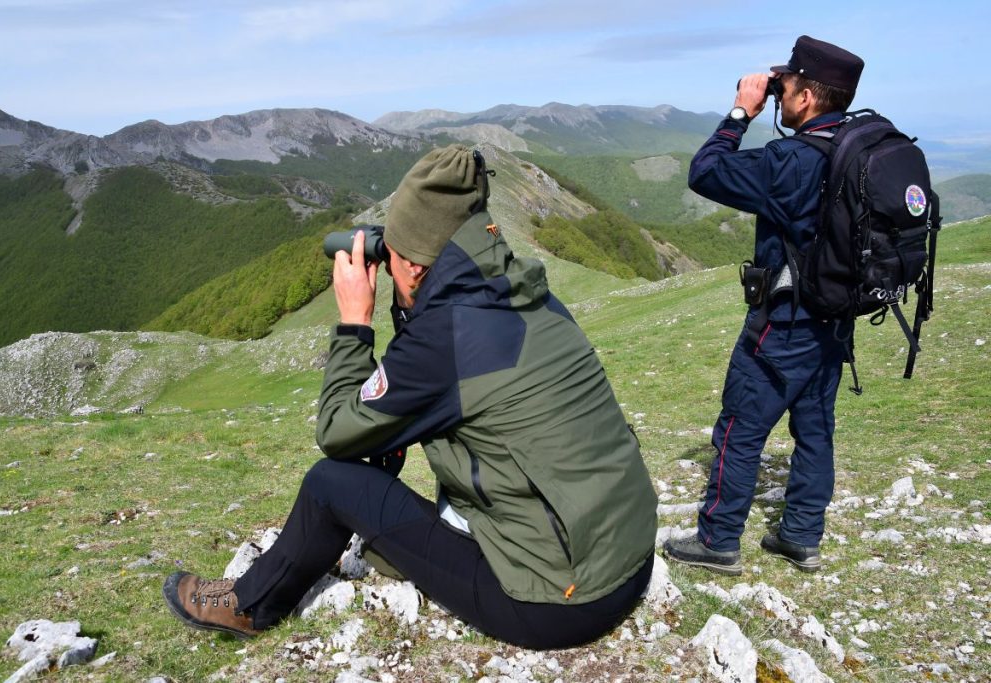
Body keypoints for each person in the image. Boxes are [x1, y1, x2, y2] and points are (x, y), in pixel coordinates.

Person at [163, 144, 658, 649]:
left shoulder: (448, 339)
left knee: (330, 484)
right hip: (629, 559)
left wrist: (356, 322)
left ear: (418, 268)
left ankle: (250, 605)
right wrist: (410, 295)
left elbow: (337, 432)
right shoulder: (527, 293)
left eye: (395, 253)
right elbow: (437, 386)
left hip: (558, 603)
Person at [662, 36, 865, 576]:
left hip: (783, 322)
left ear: (804, 98)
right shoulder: (856, 149)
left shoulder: (791, 159)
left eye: (786, 86)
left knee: (739, 428)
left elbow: (705, 171)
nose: (779, 96)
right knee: (815, 429)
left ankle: (718, 540)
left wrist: (739, 112)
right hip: (834, 318)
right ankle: (801, 536)